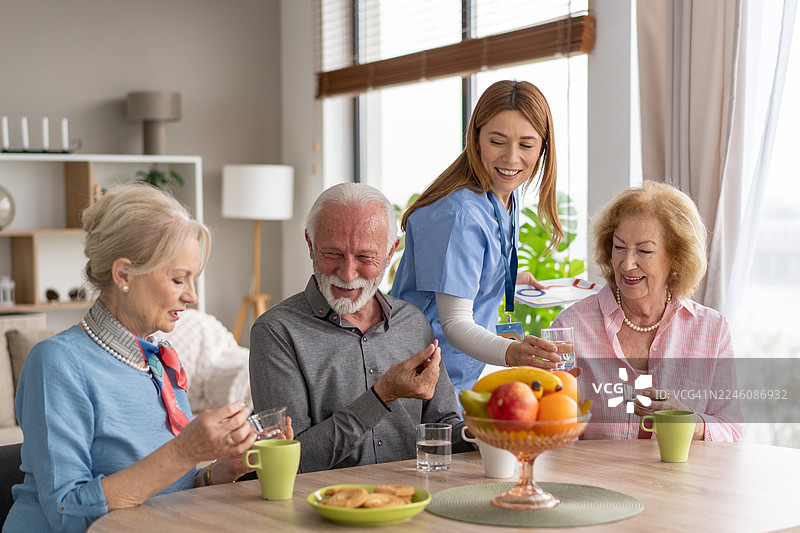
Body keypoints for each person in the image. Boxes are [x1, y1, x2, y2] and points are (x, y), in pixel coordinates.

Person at [4, 183, 293, 533]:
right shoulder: (55, 363)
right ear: (124, 274)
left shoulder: (160, 362)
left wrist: (219, 471)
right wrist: (185, 451)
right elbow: (66, 512)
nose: (192, 296)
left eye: (193, 280)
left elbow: (167, 490)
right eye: (177, 279)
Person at [249, 183, 471, 473]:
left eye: (365, 258)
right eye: (333, 254)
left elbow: (442, 429)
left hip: (411, 501)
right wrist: (382, 395)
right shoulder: (276, 332)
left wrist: (474, 433)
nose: (348, 273)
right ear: (310, 244)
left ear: (391, 252)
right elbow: (290, 462)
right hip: (321, 509)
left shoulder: (413, 322)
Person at [392, 79, 565, 393]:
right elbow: (455, 323)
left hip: (452, 380)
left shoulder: (500, 197)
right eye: (497, 141)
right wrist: (514, 352)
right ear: (475, 138)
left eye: (526, 145)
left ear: (543, 148)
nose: (512, 158)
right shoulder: (460, 214)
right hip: (422, 383)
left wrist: (506, 277)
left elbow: (468, 269)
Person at [552, 181, 742, 442]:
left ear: (676, 258)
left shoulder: (712, 330)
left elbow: (731, 430)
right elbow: (553, 433)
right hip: (594, 481)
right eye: (619, 247)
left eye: (644, 250)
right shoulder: (570, 326)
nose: (627, 264)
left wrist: (687, 420)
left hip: (680, 483)